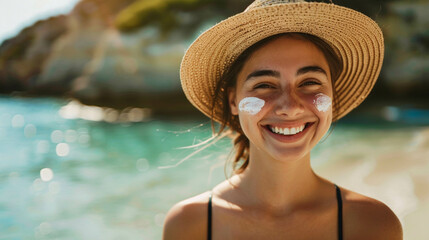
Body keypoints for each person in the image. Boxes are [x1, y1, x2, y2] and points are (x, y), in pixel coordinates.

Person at [163, 0, 403, 239]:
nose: (290, 107)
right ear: (234, 101)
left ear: (333, 95)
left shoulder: (373, 226)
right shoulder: (190, 224)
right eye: (265, 85)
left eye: (309, 82)